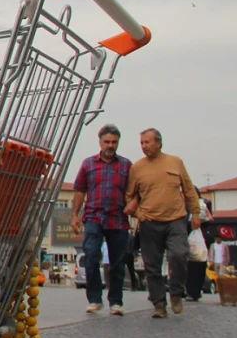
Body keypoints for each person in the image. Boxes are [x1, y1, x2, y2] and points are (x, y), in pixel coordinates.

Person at [124, 128, 201, 318]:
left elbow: (189, 189)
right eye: (141, 143)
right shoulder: (137, 168)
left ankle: (176, 292)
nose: (144, 146)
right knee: (152, 265)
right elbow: (129, 195)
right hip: (149, 222)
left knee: (179, 254)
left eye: (147, 142)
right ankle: (159, 304)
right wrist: (139, 214)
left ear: (159, 143)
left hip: (176, 219)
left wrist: (196, 213)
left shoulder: (175, 162)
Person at [71, 124, 132, 315]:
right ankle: (95, 299)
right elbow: (80, 190)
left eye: (114, 142)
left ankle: (116, 301)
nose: (110, 145)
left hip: (118, 218)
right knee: (91, 257)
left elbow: (134, 191)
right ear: (100, 142)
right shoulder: (88, 164)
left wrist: (134, 207)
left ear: (118, 143)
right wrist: (74, 214)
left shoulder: (126, 165)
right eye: (107, 142)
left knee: (117, 263)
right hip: (93, 217)